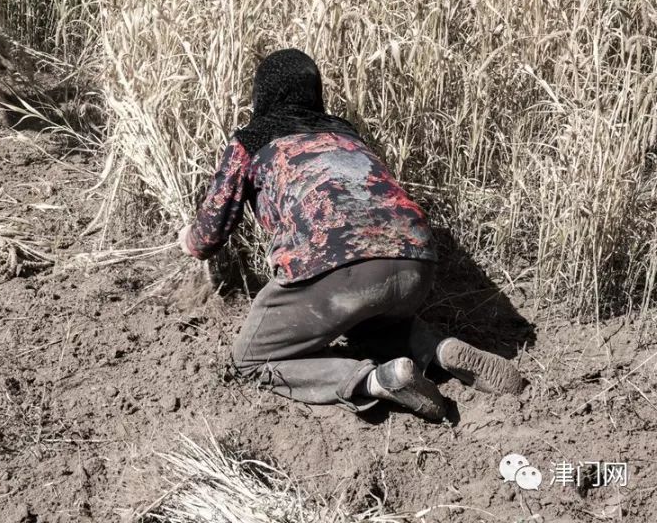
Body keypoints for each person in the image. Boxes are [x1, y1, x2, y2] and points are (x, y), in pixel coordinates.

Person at [178, 49, 522, 421]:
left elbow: (208, 234)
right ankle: (438, 350)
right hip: (416, 264)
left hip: (337, 270)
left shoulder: (252, 139)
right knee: (364, 323)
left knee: (249, 361)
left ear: (261, 96)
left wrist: (188, 239)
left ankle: (374, 381)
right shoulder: (346, 133)